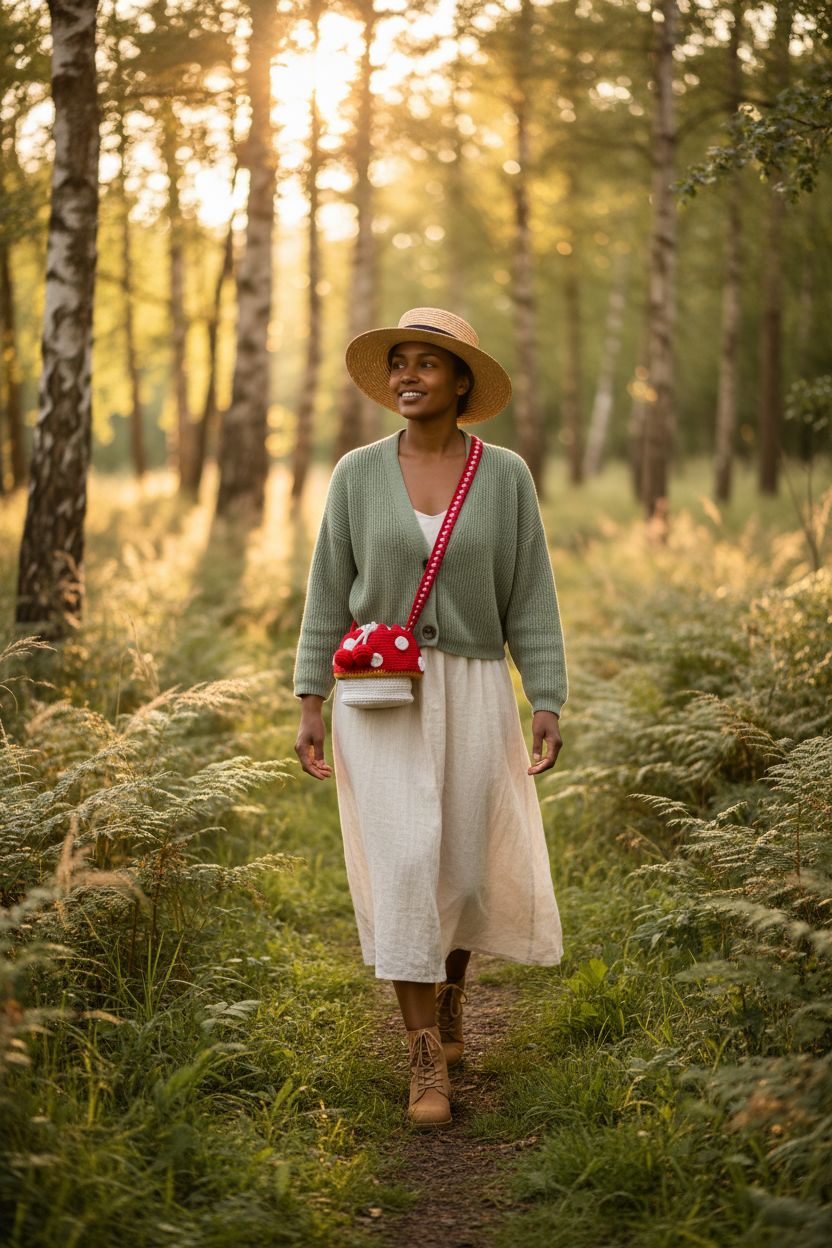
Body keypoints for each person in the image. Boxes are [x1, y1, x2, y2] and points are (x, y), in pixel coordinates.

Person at [293, 307, 567, 1129]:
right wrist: (311, 699)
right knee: (406, 863)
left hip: (478, 687)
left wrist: (545, 695)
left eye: (428, 364)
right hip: (379, 699)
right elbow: (323, 595)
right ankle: (421, 1056)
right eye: (400, 363)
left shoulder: (507, 475)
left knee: (464, 866)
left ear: (461, 381)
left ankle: (451, 996)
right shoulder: (355, 474)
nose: (409, 376)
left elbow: (533, 595)